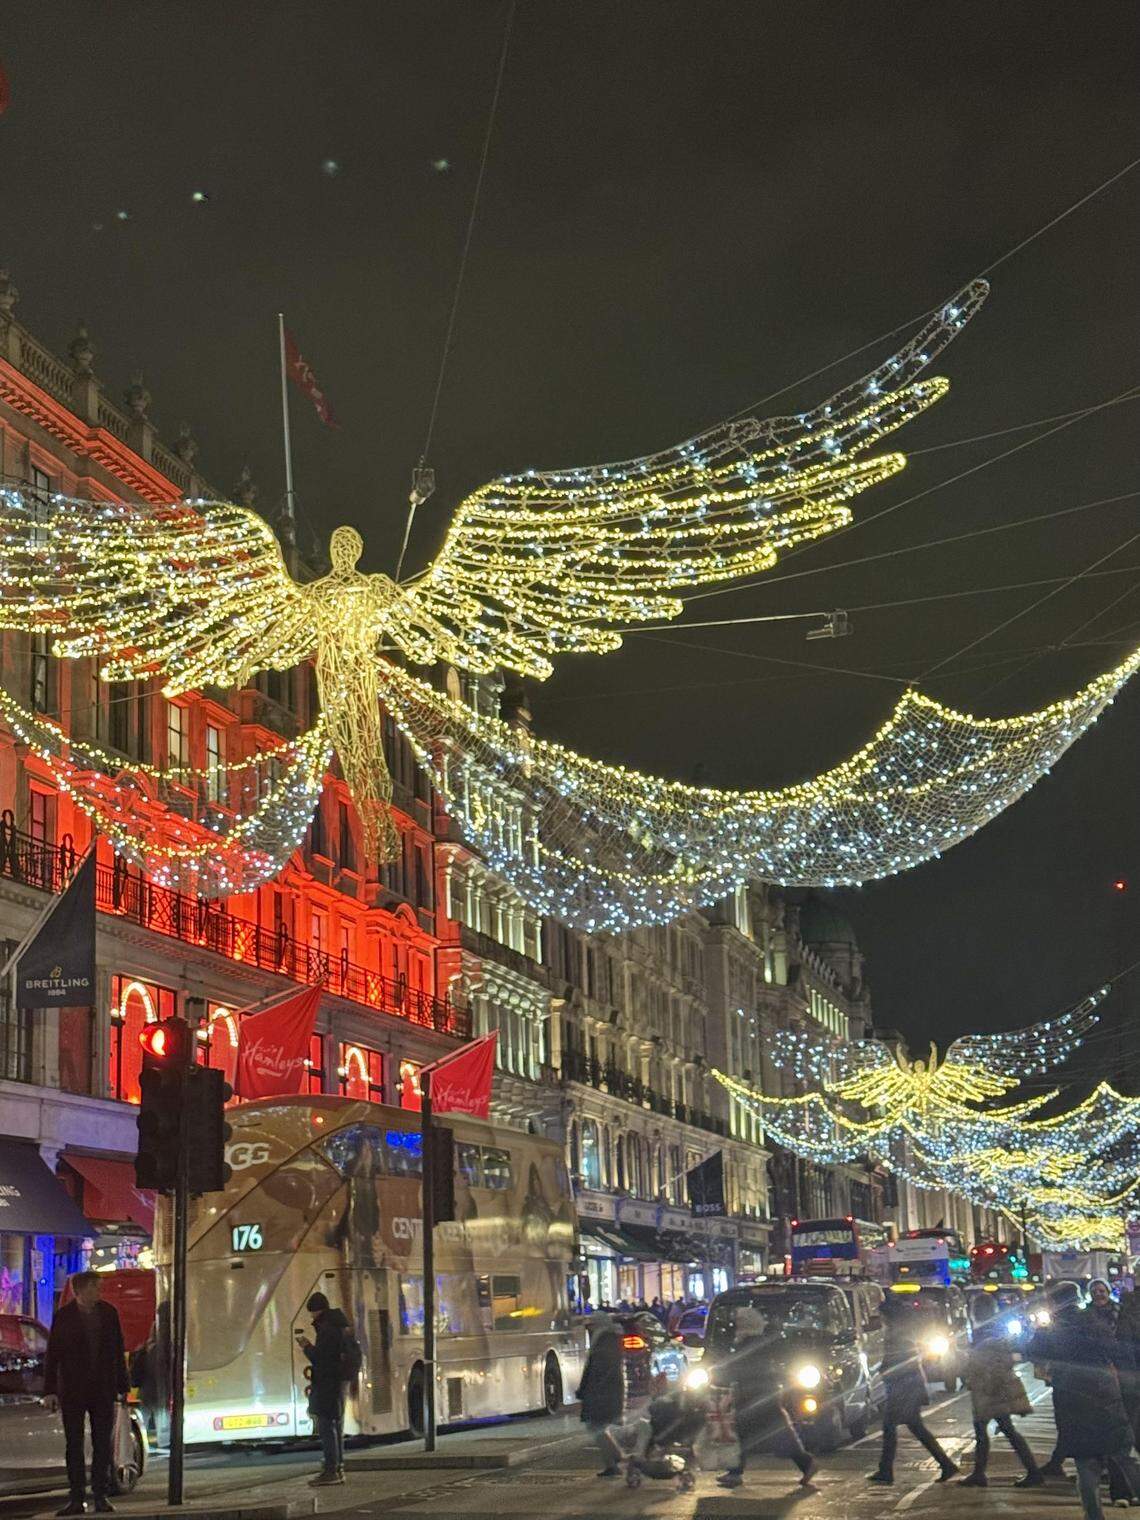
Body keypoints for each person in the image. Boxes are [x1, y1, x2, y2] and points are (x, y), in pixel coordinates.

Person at [1029, 1280, 1140, 1520]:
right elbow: (1116, 1350)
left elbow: (1031, 1352)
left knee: (1085, 1461)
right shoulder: (1091, 1320)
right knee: (1121, 1453)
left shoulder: (1052, 1329)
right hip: (1104, 1393)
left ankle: (1094, 1515)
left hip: (1071, 1398)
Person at [43, 1270, 130, 1516]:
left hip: (102, 1388)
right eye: (94, 1287)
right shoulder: (64, 1317)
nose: (99, 1291)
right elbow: (53, 1355)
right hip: (73, 1389)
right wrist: (50, 1390)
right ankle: (77, 1497)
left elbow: (117, 1349)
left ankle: (100, 1495)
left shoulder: (108, 1313)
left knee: (103, 1443)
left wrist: (122, 1386)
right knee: (74, 1444)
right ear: (79, 1290)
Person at [714, 1305, 818, 1489]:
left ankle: (806, 1463)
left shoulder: (749, 1343)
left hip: (756, 1395)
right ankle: (736, 1471)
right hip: (761, 1394)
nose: (736, 1325)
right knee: (751, 1432)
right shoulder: (756, 1341)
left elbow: (739, 1368)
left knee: (766, 1432)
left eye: (739, 1322)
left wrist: (720, 1377)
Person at [868, 1293, 957, 1485]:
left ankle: (886, 1471)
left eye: (882, 1316)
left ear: (889, 1317)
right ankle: (945, 1464)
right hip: (906, 1387)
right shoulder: (899, 1333)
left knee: (891, 1427)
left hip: (903, 1388)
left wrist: (885, 1370)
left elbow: (900, 1362)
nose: (881, 1320)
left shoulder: (897, 1336)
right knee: (914, 1427)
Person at [960, 1294, 1042, 1487]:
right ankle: (981, 1473)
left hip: (989, 1389)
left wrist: (975, 1373)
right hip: (991, 1387)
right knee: (999, 1430)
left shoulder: (985, 1331)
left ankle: (1030, 1472)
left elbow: (989, 1361)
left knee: (993, 1430)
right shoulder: (991, 1329)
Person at [299, 1292, 354, 1486]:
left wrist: (306, 1347)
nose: (312, 1317)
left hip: (329, 1382)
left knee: (326, 1425)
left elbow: (321, 1358)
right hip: (339, 1381)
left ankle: (331, 1470)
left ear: (317, 1310)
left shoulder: (328, 1329)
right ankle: (338, 1468)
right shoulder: (339, 1325)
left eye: (312, 1313)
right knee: (335, 1425)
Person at [576, 1312, 624, 1477]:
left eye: (593, 1324)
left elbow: (598, 1370)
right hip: (601, 1393)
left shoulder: (605, 1341)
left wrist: (588, 1390)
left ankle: (613, 1463)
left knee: (596, 1428)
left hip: (602, 1393)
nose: (590, 1327)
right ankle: (615, 1458)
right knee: (598, 1427)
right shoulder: (605, 1339)